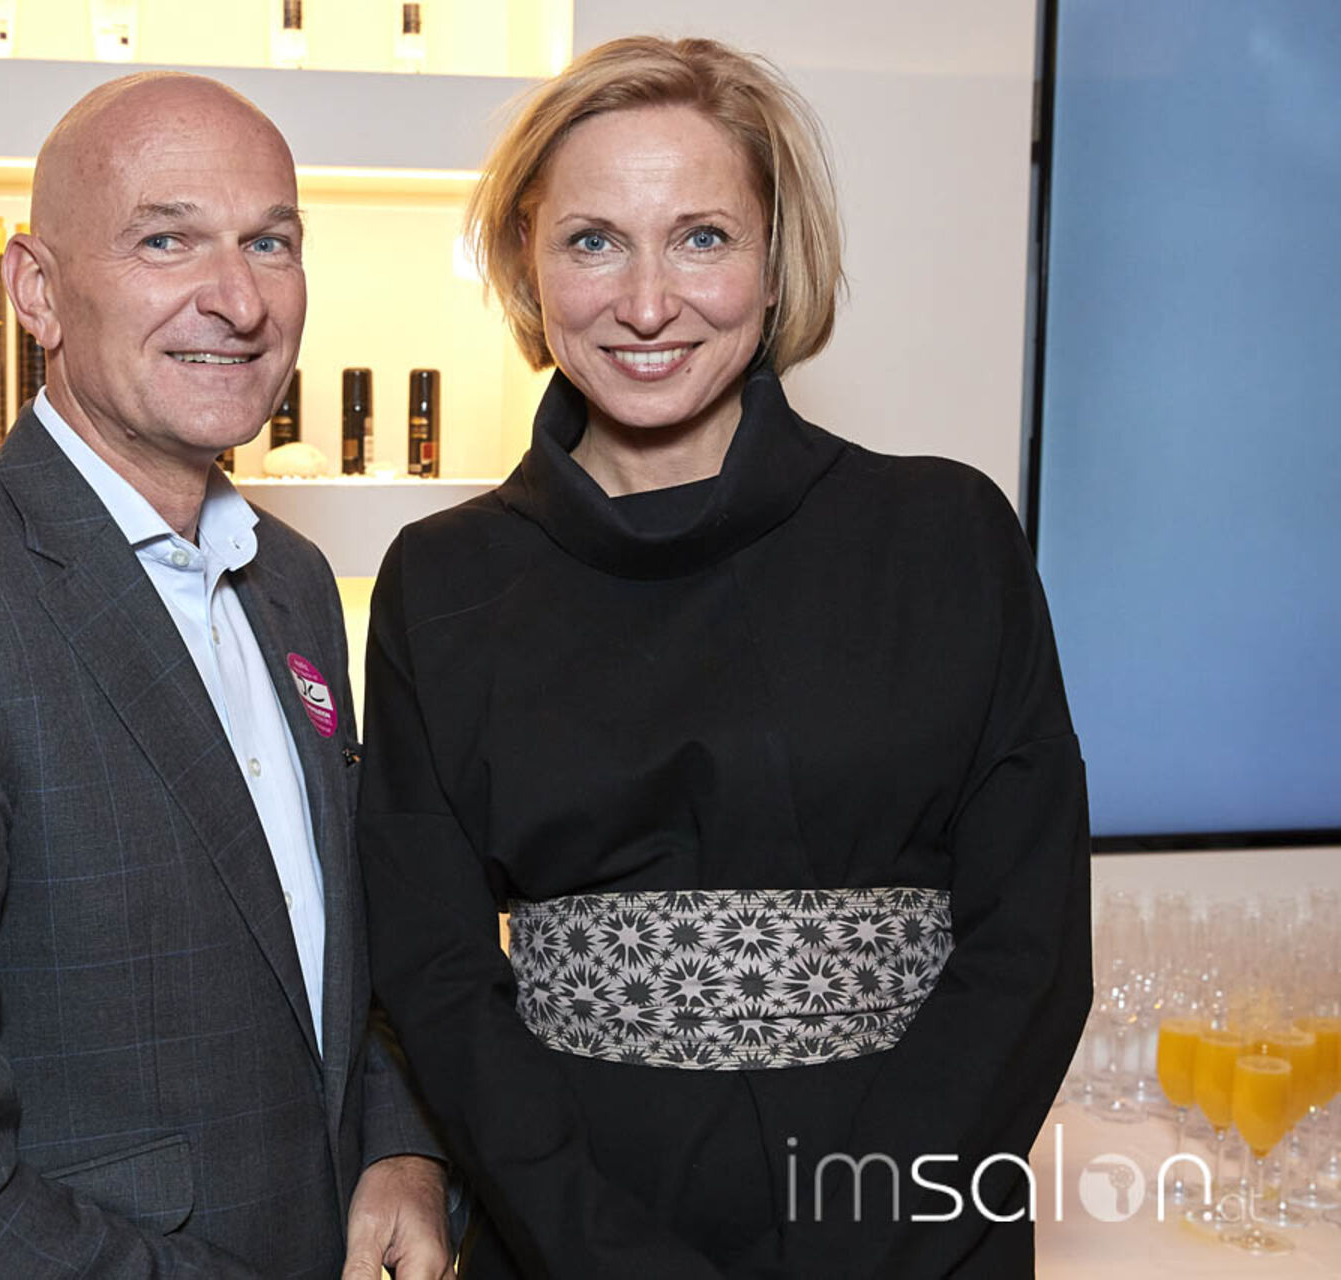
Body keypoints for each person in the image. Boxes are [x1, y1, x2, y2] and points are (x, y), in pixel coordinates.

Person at [358, 36, 1091, 1279]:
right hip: (568, 1232)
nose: (648, 303)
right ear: (526, 262)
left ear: (774, 256)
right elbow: (437, 978)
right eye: (594, 240)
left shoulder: (948, 535)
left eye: (702, 237)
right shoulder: (440, 582)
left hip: (916, 1230)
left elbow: (1032, 952)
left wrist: (856, 1246)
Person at [0, 72, 451, 1279]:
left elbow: (328, 961)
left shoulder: (293, 585)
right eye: (166, 239)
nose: (238, 299)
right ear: (36, 290)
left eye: (270, 242)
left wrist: (397, 1145)